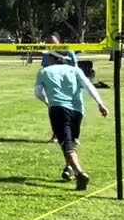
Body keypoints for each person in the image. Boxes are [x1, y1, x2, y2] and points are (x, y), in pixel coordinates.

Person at [35, 57, 108, 191]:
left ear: (53, 61)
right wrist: (100, 103)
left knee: (66, 143)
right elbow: (89, 86)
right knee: (72, 141)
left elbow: (38, 93)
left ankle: (79, 173)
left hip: (58, 109)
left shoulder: (44, 71)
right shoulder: (76, 70)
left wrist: (47, 102)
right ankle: (69, 168)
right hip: (77, 111)